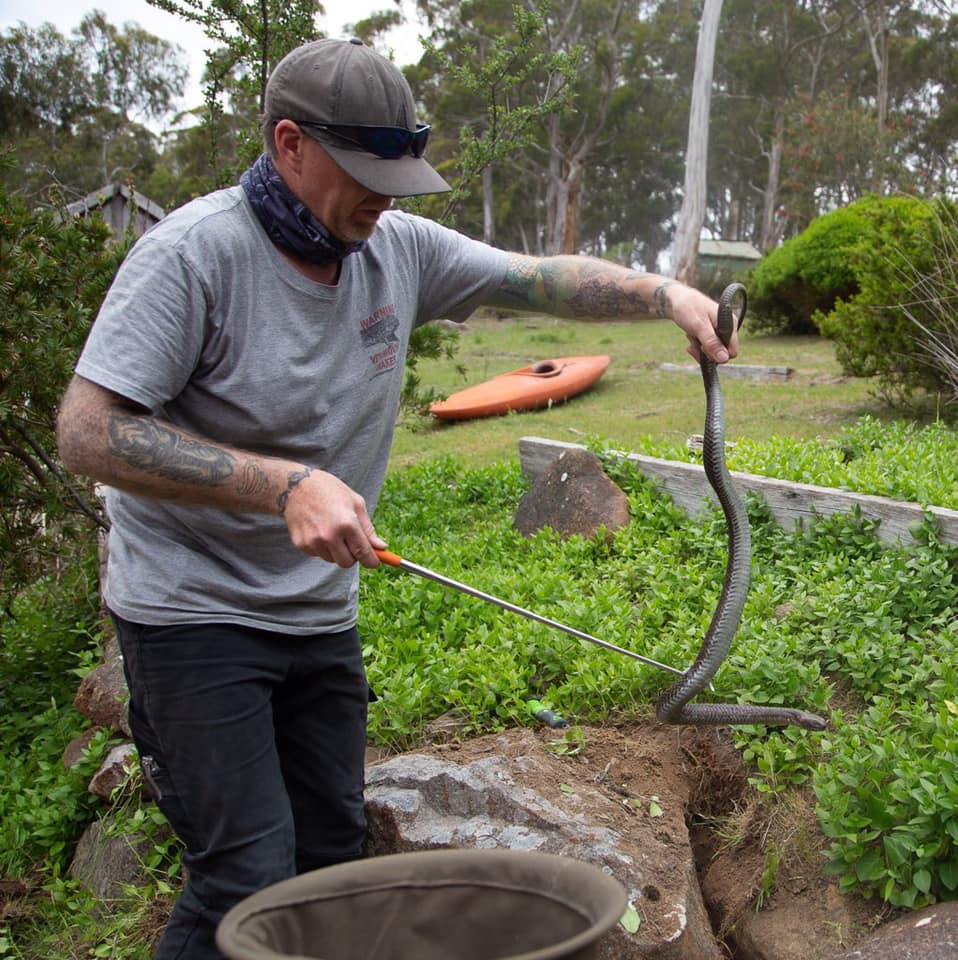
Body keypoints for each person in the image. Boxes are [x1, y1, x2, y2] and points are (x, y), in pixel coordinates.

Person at [56, 37, 737, 960]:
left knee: (336, 858)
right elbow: (87, 433)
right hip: (192, 618)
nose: (390, 194)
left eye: (400, 170)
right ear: (289, 144)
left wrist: (664, 293)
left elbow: (534, 275)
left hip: (316, 616)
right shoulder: (193, 258)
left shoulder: (396, 247)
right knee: (246, 878)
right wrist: (282, 485)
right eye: (367, 171)